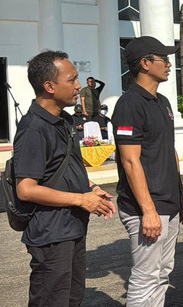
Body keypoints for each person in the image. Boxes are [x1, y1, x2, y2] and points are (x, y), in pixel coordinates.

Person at [14, 50, 116, 307]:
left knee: (71, 299)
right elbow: (26, 189)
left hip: (71, 230)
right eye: (71, 80)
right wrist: (81, 199)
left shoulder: (64, 121)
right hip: (51, 235)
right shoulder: (34, 128)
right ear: (49, 86)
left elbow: (61, 167)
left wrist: (90, 188)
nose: (79, 86)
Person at [112, 36, 183, 307]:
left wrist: (180, 195)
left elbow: (169, 152)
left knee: (163, 273)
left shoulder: (163, 101)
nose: (170, 64)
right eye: (163, 59)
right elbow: (130, 161)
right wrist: (148, 210)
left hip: (168, 203)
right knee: (146, 276)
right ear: (145, 63)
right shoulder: (130, 105)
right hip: (146, 207)